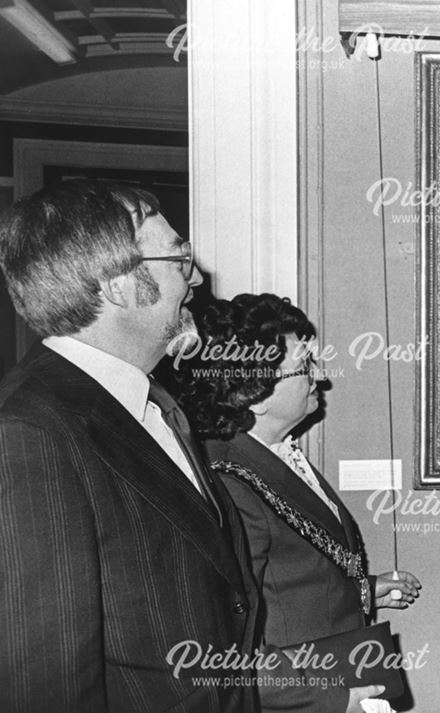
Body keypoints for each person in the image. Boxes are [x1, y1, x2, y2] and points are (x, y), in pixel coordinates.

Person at [0, 179, 260, 711]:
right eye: (179, 258)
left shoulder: (155, 403)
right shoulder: (29, 433)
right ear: (118, 285)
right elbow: (45, 686)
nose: (197, 276)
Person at [176, 293, 421, 713]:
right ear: (256, 395)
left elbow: (289, 576)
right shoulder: (228, 483)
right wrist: (330, 699)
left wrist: (366, 590)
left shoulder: (272, 454)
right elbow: (226, 639)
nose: (320, 376)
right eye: (304, 366)